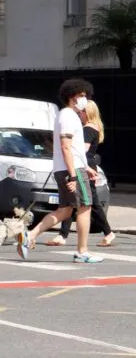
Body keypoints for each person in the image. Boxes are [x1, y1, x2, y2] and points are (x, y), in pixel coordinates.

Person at [17, 78, 104, 263]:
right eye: (82, 96)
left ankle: (29, 236)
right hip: (71, 170)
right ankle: (82, 251)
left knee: (65, 211)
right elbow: (66, 147)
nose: (85, 99)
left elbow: (74, 149)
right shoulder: (68, 116)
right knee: (85, 207)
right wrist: (74, 175)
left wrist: (85, 167)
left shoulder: (68, 116)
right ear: (72, 96)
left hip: (70, 168)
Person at [48, 100, 116, 247]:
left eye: (82, 111)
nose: (79, 113)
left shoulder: (88, 129)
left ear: (88, 112)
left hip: (84, 167)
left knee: (86, 203)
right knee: (77, 202)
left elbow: (81, 150)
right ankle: (63, 235)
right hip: (85, 166)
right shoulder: (93, 127)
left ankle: (107, 233)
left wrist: (66, 147)